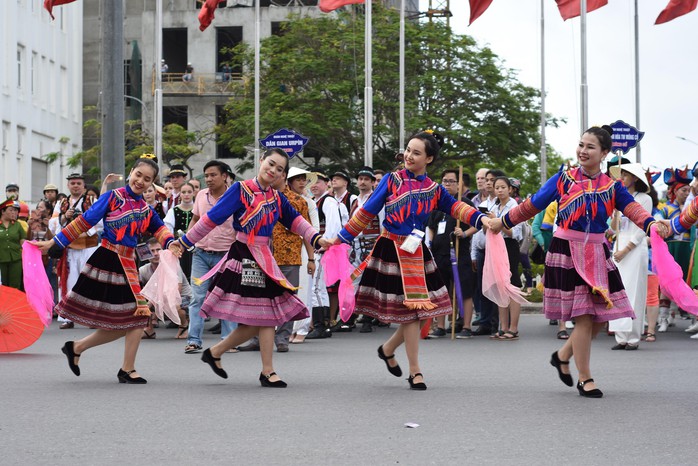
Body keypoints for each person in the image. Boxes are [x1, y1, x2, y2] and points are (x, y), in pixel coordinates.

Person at [489, 126, 669, 398]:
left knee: (600, 318)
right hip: (567, 251)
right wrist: (501, 222)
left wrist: (653, 223)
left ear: (604, 153)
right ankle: (585, 378)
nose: (583, 151)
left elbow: (634, 210)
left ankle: (562, 355)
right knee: (585, 317)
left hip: (597, 252)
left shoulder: (612, 186)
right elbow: (533, 204)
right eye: (581, 144)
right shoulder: (564, 179)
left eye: (590, 147)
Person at [329, 131, 489, 390]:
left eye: (416, 152)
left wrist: (482, 219)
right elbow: (367, 211)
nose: (408, 156)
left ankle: (388, 348)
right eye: (407, 150)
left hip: (416, 253)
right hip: (392, 250)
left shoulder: (433, 189)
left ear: (429, 158)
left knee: (420, 313)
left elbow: (457, 208)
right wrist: (341, 238)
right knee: (412, 314)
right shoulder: (392, 180)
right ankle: (416, 371)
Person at [169, 149, 328, 387]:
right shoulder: (240, 190)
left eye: (279, 169)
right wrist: (185, 241)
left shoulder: (276, 197)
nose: (273, 170)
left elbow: (296, 221)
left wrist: (316, 239)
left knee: (265, 317)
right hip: (245, 256)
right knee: (265, 316)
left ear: (282, 175)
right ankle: (264, 370)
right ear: (261, 161)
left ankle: (224, 355)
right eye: (271, 164)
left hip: (265, 257)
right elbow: (211, 218)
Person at [35, 158, 175, 384]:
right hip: (109, 260)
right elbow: (84, 221)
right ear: (131, 172)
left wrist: (171, 243)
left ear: (152, 183)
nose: (140, 181)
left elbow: (159, 229)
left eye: (147, 179)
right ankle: (123, 368)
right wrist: (55, 243)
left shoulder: (145, 209)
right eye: (138, 175)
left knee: (134, 319)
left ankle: (80, 348)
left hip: (128, 262)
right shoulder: (113, 197)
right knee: (137, 317)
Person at [237, 167, 315, 353]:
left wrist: (311, 258)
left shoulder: (298, 201)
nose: (272, 175)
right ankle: (256, 338)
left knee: (288, 298)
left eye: (278, 172)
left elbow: (307, 231)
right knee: (257, 299)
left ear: (284, 176)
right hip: (259, 255)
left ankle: (282, 337)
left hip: (288, 255)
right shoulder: (257, 197)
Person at [182, 161, 237, 354]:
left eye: (213, 175)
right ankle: (194, 340)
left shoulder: (235, 197)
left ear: (224, 176)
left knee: (227, 298)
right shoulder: (200, 196)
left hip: (226, 256)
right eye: (206, 175)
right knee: (197, 298)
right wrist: (187, 242)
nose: (209, 179)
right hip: (201, 254)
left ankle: (228, 341)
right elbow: (196, 220)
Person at [426, 169, 476, 339]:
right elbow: (431, 227)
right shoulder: (437, 203)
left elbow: (477, 224)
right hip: (440, 253)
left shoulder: (464, 203)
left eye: (451, 181)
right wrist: (430, 244)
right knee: (441, 290)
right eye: (445, 181)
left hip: (459, 252)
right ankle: (440, 326)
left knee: (464, 289)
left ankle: (466, 326)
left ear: (458, 183)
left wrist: (464, 233)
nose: (447, 185)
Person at [609, 163, 652, 350]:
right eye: (621, 175)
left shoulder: (644, 199)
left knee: (635, 293)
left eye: (626, 175)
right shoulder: (618, 199)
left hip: (634, 248)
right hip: (618, 247)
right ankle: (620, 337)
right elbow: (613, 228)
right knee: (617, 292)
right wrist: (615, 211)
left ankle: (633, 338)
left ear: (635, 178)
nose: (622, 178)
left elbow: (644, 227)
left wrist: (626, 249)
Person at [53, 173, 102, 330]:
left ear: (83, 186)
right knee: (69, 282)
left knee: (91, 282)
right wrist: (63, 217)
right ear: (68, 185)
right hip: (71, 249)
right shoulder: (61, 203)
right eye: (72, 183)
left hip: (89, 247)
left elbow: (101, 221)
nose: (75, 185)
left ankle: (93, 317)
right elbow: (52, 223)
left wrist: (86, 230)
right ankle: (67, 317)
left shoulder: (92, 201)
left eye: (78, 183)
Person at [489, 176, 523, 340]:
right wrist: (489, 220)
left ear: (510, 189)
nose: (500, 190)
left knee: (512, 285)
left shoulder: (513, 206)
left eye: (503, 187)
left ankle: (513, 328)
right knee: (500, 285)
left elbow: (514, 233)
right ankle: (502, 327)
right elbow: (487, 229)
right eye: (497, 187)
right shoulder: (494, 205)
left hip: (509, 246)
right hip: (496, 245)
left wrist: (499, 221)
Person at [138, 237, 191, 339]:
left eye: (158, 250)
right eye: (152, 251)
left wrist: (150, 303)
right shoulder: (143, 270)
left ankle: (184, 326)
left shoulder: (174, 267)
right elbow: (137, 291)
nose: (156, 253)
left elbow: (176, 292)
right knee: (140, 303)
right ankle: (149, 330)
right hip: (159, 300)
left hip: (183, 299)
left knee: (174, 304)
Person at [164, 182, 195, 279]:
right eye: (184, 192)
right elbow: (168, 229)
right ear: (180, 194)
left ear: (194, 193)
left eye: (189, 192)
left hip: (195, 247)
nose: (186, 194)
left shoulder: (198, 210)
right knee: (179, 274)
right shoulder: (173, 211)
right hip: (179, 246)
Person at [0, 200, 24, 289]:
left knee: (15, 286)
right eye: (11, 210)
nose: (13, 212)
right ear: (3, 211)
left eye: (15, 210)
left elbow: (23, 242)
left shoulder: (17, 225)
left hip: (16, 260)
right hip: (1, 260)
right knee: (2, 285)